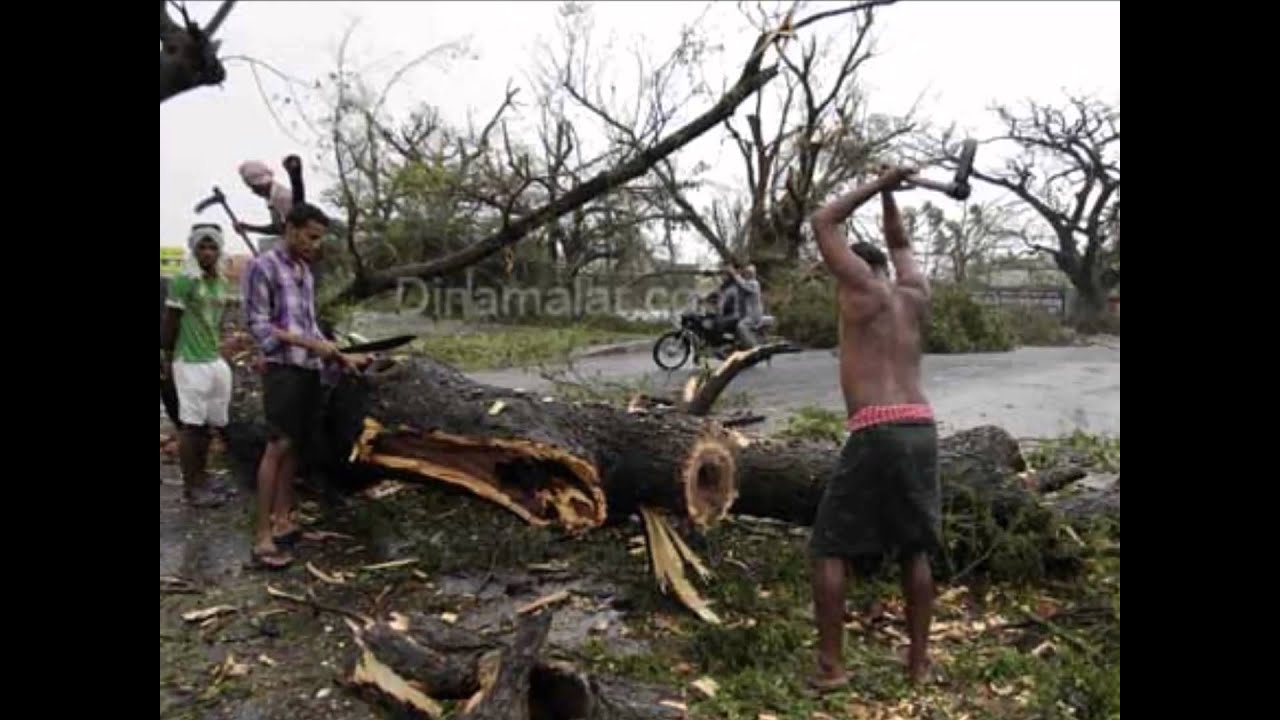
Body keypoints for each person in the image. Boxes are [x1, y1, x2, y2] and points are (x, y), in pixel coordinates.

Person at [806, 165, 940, 688]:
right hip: (921, 427)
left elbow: (823, 220)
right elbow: (900, 240)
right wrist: (888, 195)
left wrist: (877, 184)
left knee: (829, 547)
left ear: (856, 269)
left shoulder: (859, 288)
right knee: (914, 548)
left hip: (878, 429)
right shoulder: (915, 292)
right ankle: (918, 665)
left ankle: (831, 668)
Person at [241, 202, 368, 569]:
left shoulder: (304, 271)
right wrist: (313, 346)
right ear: (290, 229)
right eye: (310, 237)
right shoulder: (261, 267)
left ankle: (284, 522)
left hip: (310, 369)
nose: (315, 245)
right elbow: (260, 326)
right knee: (277, 445)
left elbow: (310, 328)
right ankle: (262, 537)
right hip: (283, 369)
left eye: (319, 238)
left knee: (295, 444)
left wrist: (342, 357)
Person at [161, 224, 234, 508]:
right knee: (191, 425)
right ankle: (192, 488)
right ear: (193, 249)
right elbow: (170, 322)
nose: (207, 252)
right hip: (189, 360)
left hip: (212, 358)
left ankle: (203, 478)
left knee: (208, 424)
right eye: (202, 247)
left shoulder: (220, 281)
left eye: (212, 247)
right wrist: (166, 357)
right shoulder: (184, 280)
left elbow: (216, 320)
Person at [234, 159, 294, 254]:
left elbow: (290, 229)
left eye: (254, 188)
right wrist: (248, 227)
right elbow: (277, 228)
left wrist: (249, 228)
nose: (254, 192)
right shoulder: (271, 198)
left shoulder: (282, 197)